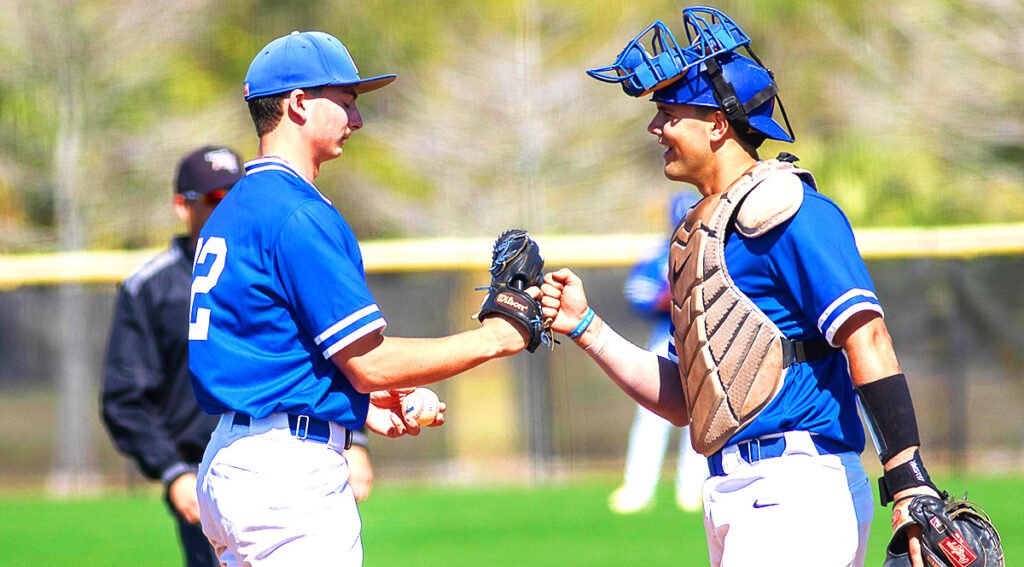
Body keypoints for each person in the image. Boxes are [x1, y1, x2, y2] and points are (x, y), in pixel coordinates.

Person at [543, 7, 940, 566]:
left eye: (668, 113)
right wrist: (586, 327)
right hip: (735, 490)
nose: (655, 129)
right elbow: (690, 401)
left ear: (716, 124)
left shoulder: (791, 213)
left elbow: (868, 339)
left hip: (799, 488)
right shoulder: (700, 236)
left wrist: (907, 475)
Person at [189, 31, 532, 566]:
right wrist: (494, 339)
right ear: (299, 104)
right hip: (284, 477)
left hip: (233, 460)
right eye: (346, 102)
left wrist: (355, 404)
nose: (358, 119)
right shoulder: (296, 213)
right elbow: (370, 362)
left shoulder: (236, 209)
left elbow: (271, 345)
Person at [101, 145, 378, 567]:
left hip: (285, 451)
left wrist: (353, 437)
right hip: (206, 467)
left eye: (232, 194)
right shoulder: (150, 287)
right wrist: (171, 471)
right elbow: (125, 397)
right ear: (182, 206)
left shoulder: (270, 261)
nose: (224, 206)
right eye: (212, 198)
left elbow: (320, 354)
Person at [609, 192, 708, 515]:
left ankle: (692, 489)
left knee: (703, 416)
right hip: (664, 338)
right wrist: (669, 296)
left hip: (706, 340)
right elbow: (637, 293)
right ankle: (638, 488)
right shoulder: (658, 253)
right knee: (651, 416)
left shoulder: (716, 248)